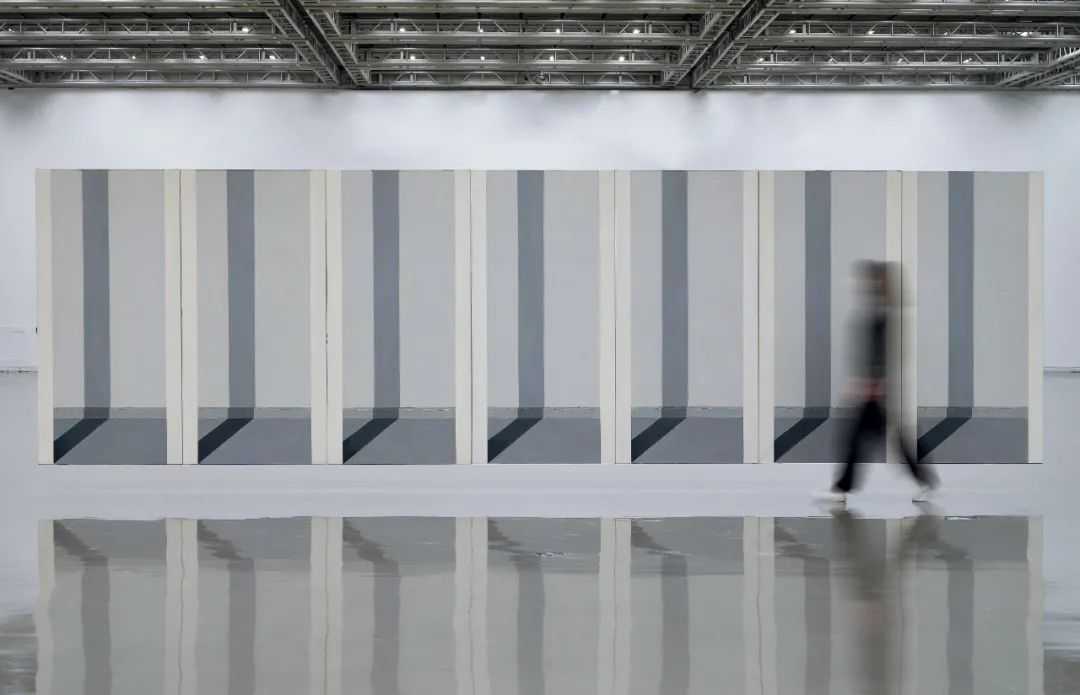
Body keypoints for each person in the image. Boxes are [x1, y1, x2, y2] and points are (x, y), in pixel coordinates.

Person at [825, 261, 937, 504]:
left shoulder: (883, 316)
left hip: (876, 391)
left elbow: (882, 354)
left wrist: (872, 383)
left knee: (861, 438)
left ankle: (842, 488)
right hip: (876, 390)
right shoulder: (881, 312)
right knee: (880, 439)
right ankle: (923, 481)